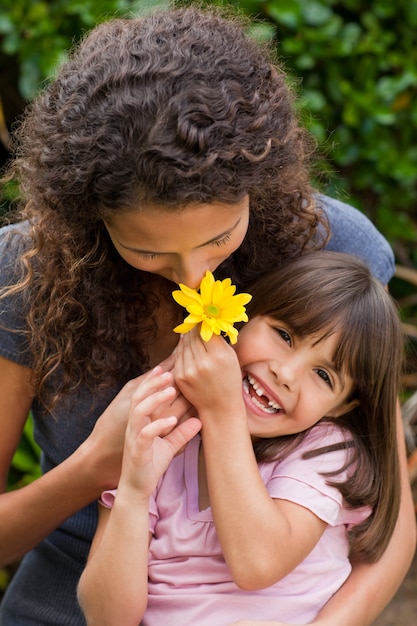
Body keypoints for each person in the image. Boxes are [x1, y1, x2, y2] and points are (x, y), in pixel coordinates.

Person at [0, 5, 414, 626]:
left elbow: (389, 528)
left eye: (220, 237)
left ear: (259, 183)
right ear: (91, 217)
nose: (195, 281)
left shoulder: (333, 249)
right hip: (80, 585)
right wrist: (97, 466)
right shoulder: (28, 271)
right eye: (148, 250)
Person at [77, 251, 403, 626]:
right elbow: (107, 618)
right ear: (239, 320)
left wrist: (221, 412)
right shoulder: (158, 434)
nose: (286, 374)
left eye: (324, 376)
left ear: (341, 406)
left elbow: (258, 563)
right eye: (284, 335)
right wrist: (133, 493)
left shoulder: (325, 451)